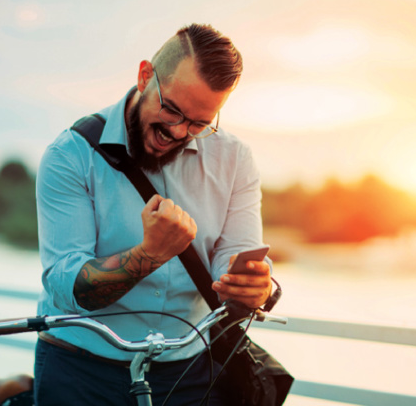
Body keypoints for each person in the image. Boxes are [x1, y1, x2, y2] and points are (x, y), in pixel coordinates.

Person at [34, 23, 273, 406]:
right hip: (81, 370)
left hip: (191, 370)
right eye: (172, 109)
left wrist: (252, 287)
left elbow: (236, 255)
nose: (178, 132)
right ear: (145, 76)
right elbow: (66, 289)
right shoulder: (69, 155)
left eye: (199, 123)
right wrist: (149, 254)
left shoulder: (235, 159)